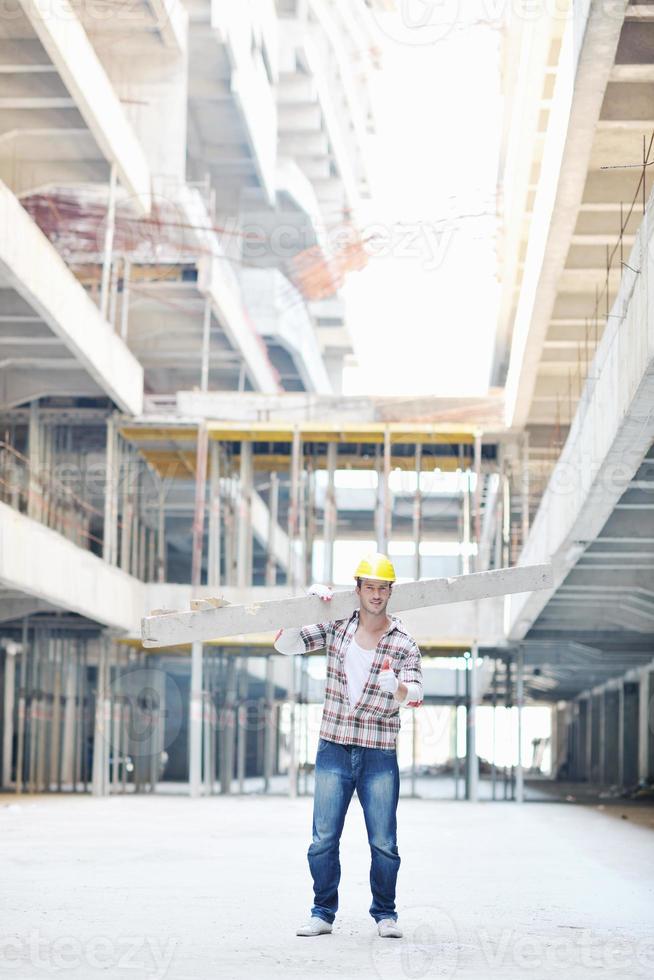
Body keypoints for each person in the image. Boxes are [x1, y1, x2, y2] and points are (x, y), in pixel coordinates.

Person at [274, 553, 423, 939]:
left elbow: (417, 694)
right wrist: (304, 606)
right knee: (323, 839)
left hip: (378, 751)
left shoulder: (403, 642)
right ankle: (322, 912)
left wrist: (399, 689)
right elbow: (286, 645)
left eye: (383, 588)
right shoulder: (337, 627)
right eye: (370, 587)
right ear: (357, 590)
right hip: (334, 746)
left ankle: (385, 914)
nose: (376, 594)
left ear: (391, 591)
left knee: (384, 842)